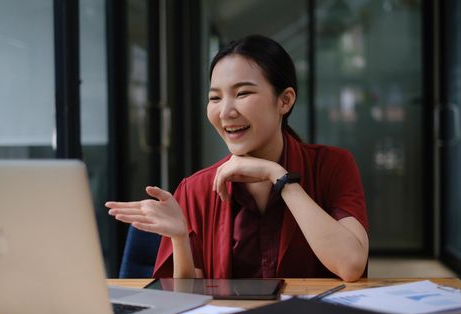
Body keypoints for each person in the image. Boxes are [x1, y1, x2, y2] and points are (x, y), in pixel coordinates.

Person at [106, 35, 368, 282]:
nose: (226, 112)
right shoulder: (195, 189)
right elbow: (185, 301)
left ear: (285, 101)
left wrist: (279, 177)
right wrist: (180, 239)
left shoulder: (333, 165)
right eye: (215, 98)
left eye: (242, 93)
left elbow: (351, 265)